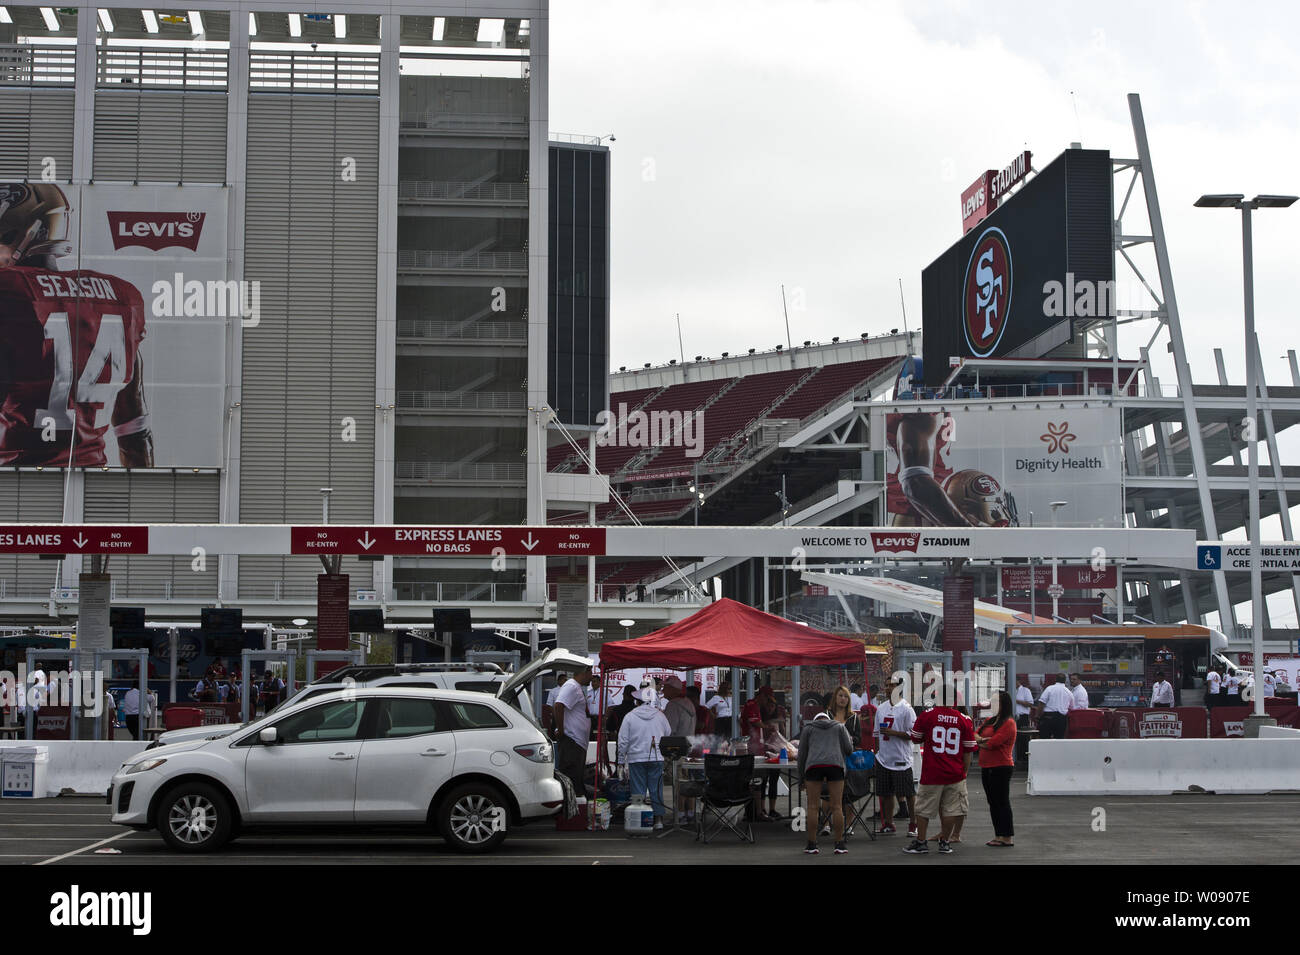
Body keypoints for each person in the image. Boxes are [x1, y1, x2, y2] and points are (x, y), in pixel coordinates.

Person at [0, 182, 154, 468]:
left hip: (14, 482)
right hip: (87, 481)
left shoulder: (10, 290)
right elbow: (134, 430)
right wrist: (140, 501)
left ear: (23, 235)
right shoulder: (122, 295)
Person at [904, 700, 975, 855]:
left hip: (932, 772)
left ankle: (921, 842)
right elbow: (968, 750)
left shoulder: (928, 715)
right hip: (955, 773)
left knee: (923, 809)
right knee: (950, 810)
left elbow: (916, 738)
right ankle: (945, 842)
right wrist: (964, 773)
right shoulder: (964, 719)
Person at [617, 681, 673, 830]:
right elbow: (668, 733)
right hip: (656, 757)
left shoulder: (630, 716)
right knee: (656, 789)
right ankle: (658, 820)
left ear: (637, 701)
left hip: (636, 758)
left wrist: (621, 761)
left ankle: (640, 821)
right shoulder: (660, 716)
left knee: (638, 790)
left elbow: (623, 741)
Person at [798, 712, 855, 855]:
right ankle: (839, 844)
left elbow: (802, 755)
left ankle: (812, 845)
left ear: (815, 719)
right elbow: (849, 750)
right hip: (835, 765)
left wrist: (801, 777)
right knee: (836, 806)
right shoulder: (840, 727)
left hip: (813, 767)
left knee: (812, 807)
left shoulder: (808, 729)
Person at [874, 677, 917, 838]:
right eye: (886, 686)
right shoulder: (881, 708)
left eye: (892, 685)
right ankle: (888, 823)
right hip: (884, 758)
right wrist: (876, 755)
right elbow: (876, 735)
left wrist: (893, 733)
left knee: (908, 793)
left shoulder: (907, 709)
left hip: (901, 759)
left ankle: (913, 824)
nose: (888, 688)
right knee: (885, 793)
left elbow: (914, 734)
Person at [976, 690, 1017, 847]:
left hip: (1001, 767)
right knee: (993, 802)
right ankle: (999, 834)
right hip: (987, 766)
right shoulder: (990, 720)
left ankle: (1006, 836)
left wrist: (981, 742)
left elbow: (993, 743)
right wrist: (982, 741)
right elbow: (975, 735)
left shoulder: (1008, 723)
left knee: (1001, 802)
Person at [551, 666, 594, 794]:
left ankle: (576, 809)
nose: (592, 677)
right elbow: (558, 705)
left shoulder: (576, 687)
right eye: (591, 672)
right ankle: (572, 812)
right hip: (572, 741)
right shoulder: (571, 686)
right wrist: (561, 729)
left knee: (576, 780)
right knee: (571, 781)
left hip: (577, 742)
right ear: (585, 672)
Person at [1035, 675, 1073, 740]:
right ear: (1065, 681)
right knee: (1059, 741)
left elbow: (1042, 703)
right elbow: (1071, 707)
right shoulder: (1069, 692)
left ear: (1055, 679)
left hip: (1048, 717)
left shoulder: (1049, 688)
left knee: (1044, 739)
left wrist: (1038, 716)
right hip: (1061, 718)